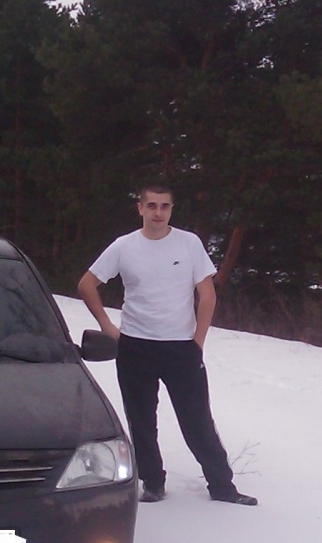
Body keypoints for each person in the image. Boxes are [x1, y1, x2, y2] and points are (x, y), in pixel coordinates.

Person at [78, 185, 257, 506]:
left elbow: (207, 294)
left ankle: (222, 486)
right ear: (140, 208)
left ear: (172, 210)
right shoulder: (124, 246)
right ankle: (152, 483)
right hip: (135, 347)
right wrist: (107, 326)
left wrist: (198, 341)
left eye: (164, 206)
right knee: (141, 422)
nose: (158, 212)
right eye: (151, 206)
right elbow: (87, 284)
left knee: (197, 421)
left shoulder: (189, 244)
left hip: (181, 348)